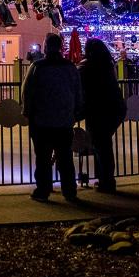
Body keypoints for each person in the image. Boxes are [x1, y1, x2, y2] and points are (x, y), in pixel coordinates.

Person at [21, 32, 83, 203]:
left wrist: (27, 111)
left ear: (46, 47)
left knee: (42, 157)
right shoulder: (70, 67)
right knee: (65, 157)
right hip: (64, 120)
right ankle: (69, 190)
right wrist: (77, 110)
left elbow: (27, 91)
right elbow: (78, 91)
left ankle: (43, 189)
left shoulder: (37, 67)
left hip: (42, 120)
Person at [78, 38, 126, 193]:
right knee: (103, 144)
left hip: (99, 109)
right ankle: (105, 179)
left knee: (101, 145)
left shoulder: (88, 67)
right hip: (115, 107)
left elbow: (81, 85)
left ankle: (107, 181)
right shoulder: (107, 64)